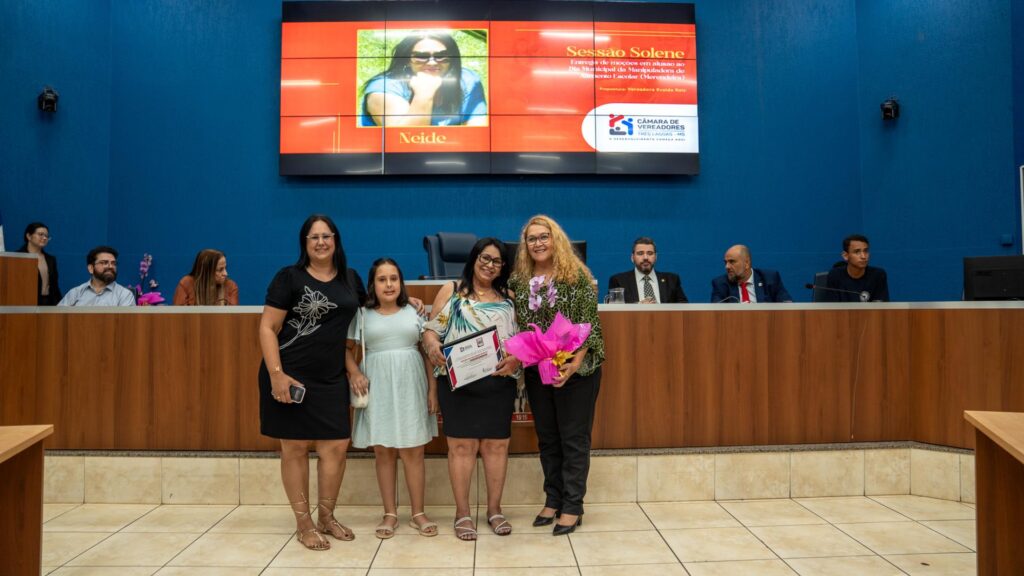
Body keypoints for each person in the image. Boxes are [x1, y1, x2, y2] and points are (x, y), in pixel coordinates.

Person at [257, 214, 361, 551]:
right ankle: (304, 523)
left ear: (336, 240)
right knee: (296, 447)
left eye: (326, 236)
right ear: (305, 243)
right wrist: (276, 375)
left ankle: (326, 517)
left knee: (336, 447)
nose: (320, 242)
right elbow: (267, 328)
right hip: (289, 375)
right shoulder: (289, 277)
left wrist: (410, 300)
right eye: (313, 237)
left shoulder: (350, 278)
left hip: (331, 377)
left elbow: (369, 311)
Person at [508, 215, 605, 536]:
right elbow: (523, 324)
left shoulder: (576, 276)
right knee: (548, 437)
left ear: (556, 239)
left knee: (573, 439)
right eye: (531, 239)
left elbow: (590, 325)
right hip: (539, 370)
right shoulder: (520, 282)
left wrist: (573, 364)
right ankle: (553, 498)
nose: (537, 243)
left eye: (543, 237)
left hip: (576, 370)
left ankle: (573, 506)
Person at [422, 238, 521, 540]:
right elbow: (429, 331)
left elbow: (522, 341)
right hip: (457, 383)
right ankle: (462, 513)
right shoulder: (451, 291)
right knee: (461, 447)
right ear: (474, 258)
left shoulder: (510, 297)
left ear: (504, 267)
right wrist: (432, 345)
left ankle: (494, 509)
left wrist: (517, 359)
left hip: (498, 382)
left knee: (496, 446)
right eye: (485, 258)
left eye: (497, 261)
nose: (490, 265)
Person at [346, 258, 439, 539]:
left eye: (394, 279)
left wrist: (433, 390)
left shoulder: (415, 312)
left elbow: (427, 354)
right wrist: (354, 373)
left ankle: (418, 513)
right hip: (378, 386)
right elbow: (346, 350)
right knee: (384, 451)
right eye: (382, 279)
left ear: (401, 282)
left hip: (411, 385)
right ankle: (389, 513)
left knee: (414, 451)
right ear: (372, 284)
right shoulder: (362, 314)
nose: (388, 284)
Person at [362, 31, 487, 127]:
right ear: (406, 59)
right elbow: (407, 140)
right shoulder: (383, 88)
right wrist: (424, 95)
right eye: (421, 56)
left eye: (441, 55)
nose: (432, 63)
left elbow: (476, 133)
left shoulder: (467, 79)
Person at [607, 236, 688, 303]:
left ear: (656, 257)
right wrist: (637, 307)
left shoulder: (672, 280)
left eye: (650, 253)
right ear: (632, 258)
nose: (645, 258)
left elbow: (683, 307)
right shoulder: (619, 281)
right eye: (640, 253)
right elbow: (613, 310)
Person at [710, 244, 793, 303]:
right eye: (726, 262)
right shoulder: (720, 284)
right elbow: (717, 313)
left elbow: (787, 305)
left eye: (732, 262)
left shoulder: (769, 278)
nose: (727, 266)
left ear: (747, 263)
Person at [58, 246, 136, 306]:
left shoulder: (125, 295)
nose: (110, 266)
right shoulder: (75, 293)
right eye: (104, 262)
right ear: (91, 268)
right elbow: (57, 318)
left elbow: (126, 324)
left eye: (113, 263)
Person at [824, 234, 890, 302]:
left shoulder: (878, 275)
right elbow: (832, 309)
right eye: (857, 252)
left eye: (865, 251)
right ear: (845, 256)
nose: (863, 256)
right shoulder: (835, 275)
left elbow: (882, 308)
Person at [173, 249, 239, 305]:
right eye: (220, 270)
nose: (226, 273)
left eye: (225, 268)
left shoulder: (231, 286)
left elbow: (231, 318)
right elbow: (179, 317)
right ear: (206, 271)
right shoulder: (186, 283)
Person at [16, 222, 61, 305]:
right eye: (40, 234)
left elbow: (55, 287)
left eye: (47, 236)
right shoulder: (17, 257)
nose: (44, 238)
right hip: (25, 303)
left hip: (49, 303)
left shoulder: (51, 259)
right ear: (29, 236)